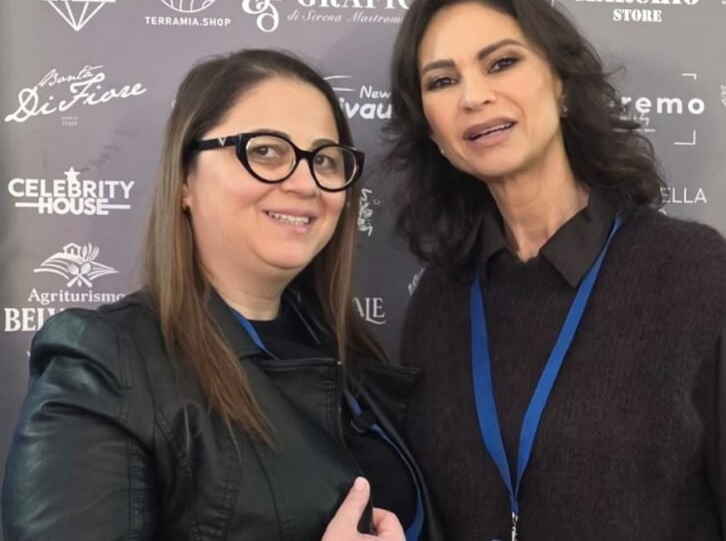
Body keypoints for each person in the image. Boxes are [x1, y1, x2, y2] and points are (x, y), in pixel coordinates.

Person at [384, 0, 726, 540]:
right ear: (431, 131)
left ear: (563, 86)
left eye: (501, 63)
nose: (473, 97)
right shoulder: (438, 302)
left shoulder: (692, 275)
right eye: (442, 81)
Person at [3, 49, 443, 541]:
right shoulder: (105, 365)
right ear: (185, 181)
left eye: (324, 159)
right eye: (265, 151)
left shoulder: (346, 355)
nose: (305, 183)